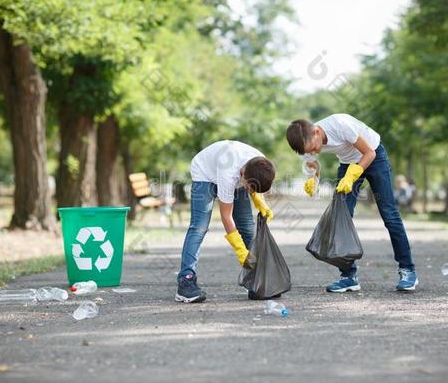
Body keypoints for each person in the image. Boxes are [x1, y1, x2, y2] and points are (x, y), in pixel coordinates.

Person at [286, 113, 418, 292]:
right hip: (347, 163)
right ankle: (348, 276)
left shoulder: (340, 125)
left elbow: (369, 153)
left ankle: (407, 270)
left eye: (314, 148)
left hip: (373, 156)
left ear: (316, 132)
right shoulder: (306, 142)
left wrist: (353, 174)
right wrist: (313, 179)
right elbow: (313, 164)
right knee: (341, 217)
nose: (313, 152)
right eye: (308, 151)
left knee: (389, 214)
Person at [175, 140, 275, 303]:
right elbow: (226, 216)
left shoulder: (260, 162)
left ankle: (255, 278)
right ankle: (186, 281)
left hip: (231, 172)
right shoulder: (229, 173)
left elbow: (255, 183)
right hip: (205, 173)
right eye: (248, 186)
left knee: (248, 228)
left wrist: (260, 202)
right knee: (199, 227)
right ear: (243, 173)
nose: (249, 189)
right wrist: (240, 251)